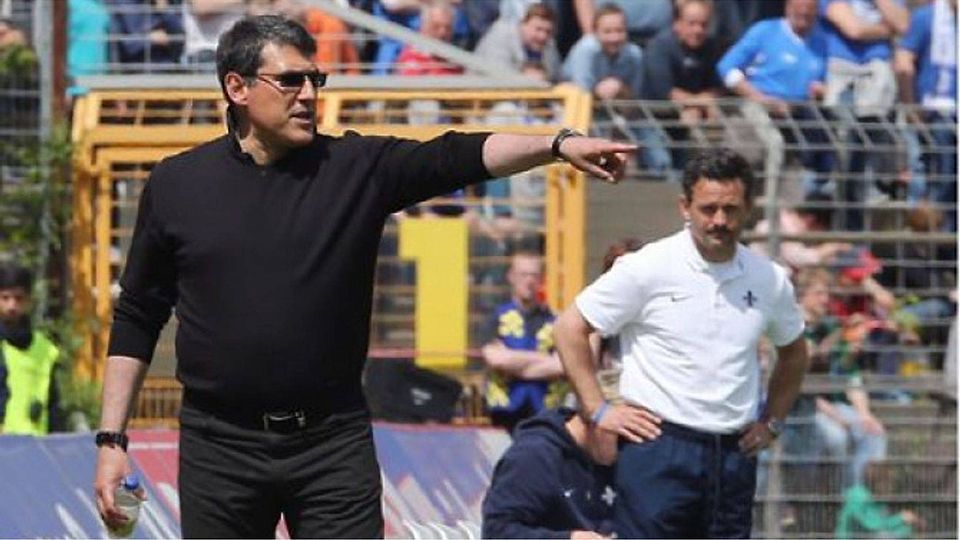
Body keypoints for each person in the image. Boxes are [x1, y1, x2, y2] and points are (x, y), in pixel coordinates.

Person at [92, 14, 636, 538]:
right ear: (236, 87)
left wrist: (558, 145)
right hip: (220, 446)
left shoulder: (355, 168)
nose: (308, 93)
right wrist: (113, 438)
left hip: (332, 441)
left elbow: (459, 155)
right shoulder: (177, 184)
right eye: (289, 80)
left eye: (315, 79)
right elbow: (138, 314)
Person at [554, 149, 810, 538]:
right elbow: (570, 327)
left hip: (734, 452)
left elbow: (794, 351)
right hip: (659, 446)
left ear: (748, 209)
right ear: (684, 206)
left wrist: (773, 420)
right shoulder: (647, 266)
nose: (719, 220)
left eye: (730, 209)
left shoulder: (769, 279)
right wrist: (597, 408)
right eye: (708, 209)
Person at [717, 0, 835, 196]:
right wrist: (759, 97)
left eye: (809, 14)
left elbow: (823, 81)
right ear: (788, 8)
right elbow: (727, 67)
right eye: (799, 12)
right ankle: (766, 208)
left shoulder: (820, 42)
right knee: (773, 145)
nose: (804, 19)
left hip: (799, 113)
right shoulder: (765, 31)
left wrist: (821, 90)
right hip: (759, 106)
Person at [481, 407, 618, 539]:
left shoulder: (619, 459)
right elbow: (496, 532)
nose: (629, 446)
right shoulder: (534, 456)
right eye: (624, 434)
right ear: (595, 416)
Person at [483, 251, 565, 433]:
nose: (529, 281)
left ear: (541, 279)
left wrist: (513, 360)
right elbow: (496, 360)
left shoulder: (555, 320)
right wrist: (544, 360)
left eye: (534, 275)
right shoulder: (496, 317)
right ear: (511, 277)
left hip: (545, 412)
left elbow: (561, 365)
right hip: (504, 411)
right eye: (523, 275)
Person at [894, 0, 957, 231]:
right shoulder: (926, 17)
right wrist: (912, 108)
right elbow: (903, 60)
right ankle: (928, 248)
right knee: (940, 178)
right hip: (936, 113)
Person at [0, 264, 62, 435]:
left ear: (29, 300)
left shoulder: (46, 349)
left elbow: (53, 404)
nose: (12, 305)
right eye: (5, 298)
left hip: (38, 446)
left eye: (18, 298)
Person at [562, 3, 644, 102]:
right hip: (571, 105)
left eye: (619, 31)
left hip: (617, 107)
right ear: (595, 33)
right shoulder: (586, 50)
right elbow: (582, 93)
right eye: (607, 32)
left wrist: (621, 89)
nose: (614, 38)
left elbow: (636, 96)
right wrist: (599, 92)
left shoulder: (635, 55)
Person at [474, 3, 562, 82]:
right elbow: (496, 74)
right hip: (483, 92)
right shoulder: (501, 34)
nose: (543, 36)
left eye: (548, 31)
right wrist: (524, 76)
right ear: (523, 24)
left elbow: (555, 76)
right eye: (538, 29)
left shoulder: (549, 44)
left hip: (529, 95)